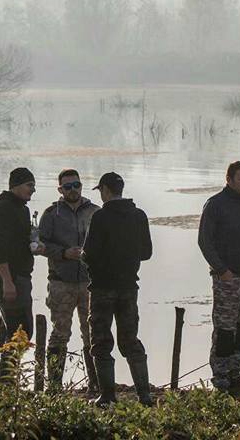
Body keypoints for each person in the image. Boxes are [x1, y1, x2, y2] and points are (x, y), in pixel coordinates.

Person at [82, 172, 153, 406]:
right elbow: (146, 253)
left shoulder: (100, 217)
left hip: (102, 288)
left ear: (105, 190)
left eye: (101, 190)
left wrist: (86, 258)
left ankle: (107, 397)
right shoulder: (139, 215)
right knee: (130, 340)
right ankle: (145, 395)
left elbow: (88, 254)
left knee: (101, 342)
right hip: (129, 287)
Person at [197, 161, 240, 394]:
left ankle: (235, 372)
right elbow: (204, 241)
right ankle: (220, 375)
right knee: (225, 330)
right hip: (228, 278)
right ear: (228, 180)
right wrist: (221, 270)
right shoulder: (215, 204)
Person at [39, 168, 100, 392]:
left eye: (76, 185)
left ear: (81, 186)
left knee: (92, 332)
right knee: (60, 333)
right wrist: (64, 253)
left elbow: (106, 243)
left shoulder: (95, 211)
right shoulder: (51, 214)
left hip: (90, 282)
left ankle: (95, 384)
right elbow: (41, 245)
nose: (73, 190)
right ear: (60, 189)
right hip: (60, 282)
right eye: (68, 186)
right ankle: (54, 387)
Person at [0, 167, 40, 379]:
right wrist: (7, 282)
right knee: (22, 329)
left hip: (21, 275)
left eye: (34, 186)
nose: (33, 190)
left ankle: (4, 385)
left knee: (9, 330)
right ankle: (7, 384)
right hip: (9, 277)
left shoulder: (21, 208)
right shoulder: (2, 208)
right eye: (29, 185)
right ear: (16, 185)